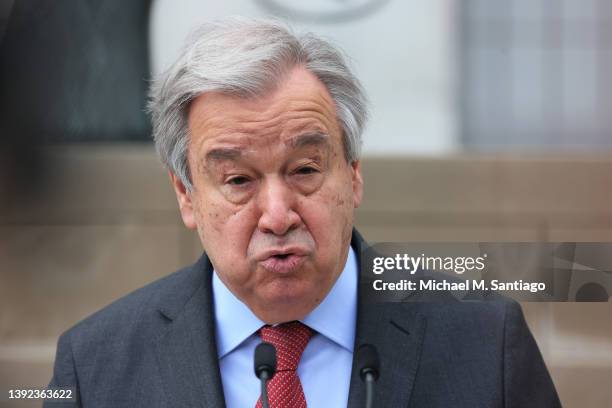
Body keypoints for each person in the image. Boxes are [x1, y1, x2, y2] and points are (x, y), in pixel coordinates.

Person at [45, 17, 561, 407]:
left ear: (353, 174)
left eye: (305, 170)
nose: (277, 215)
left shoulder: (488, 343)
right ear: (186, 195)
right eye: (239, 181)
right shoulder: (94, 367)